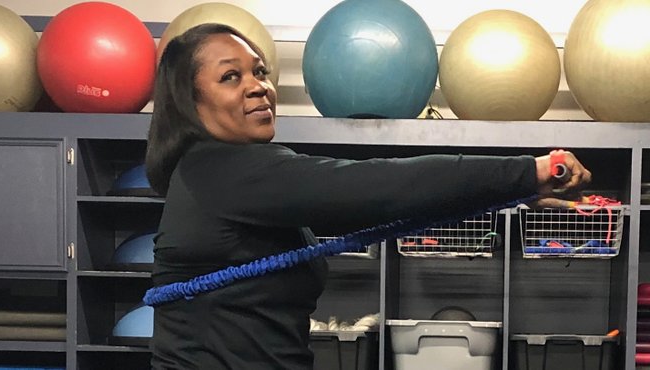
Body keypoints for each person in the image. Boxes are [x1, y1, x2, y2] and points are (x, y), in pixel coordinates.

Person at [144, 23, 591, 370]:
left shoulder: (227, 176)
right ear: (191, 102)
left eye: (260, 72)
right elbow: (382, 187)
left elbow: (389, 204)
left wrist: (509, 193)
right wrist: (525, 172)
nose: (258, 85)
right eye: (230, 77)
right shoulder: (220, 169)